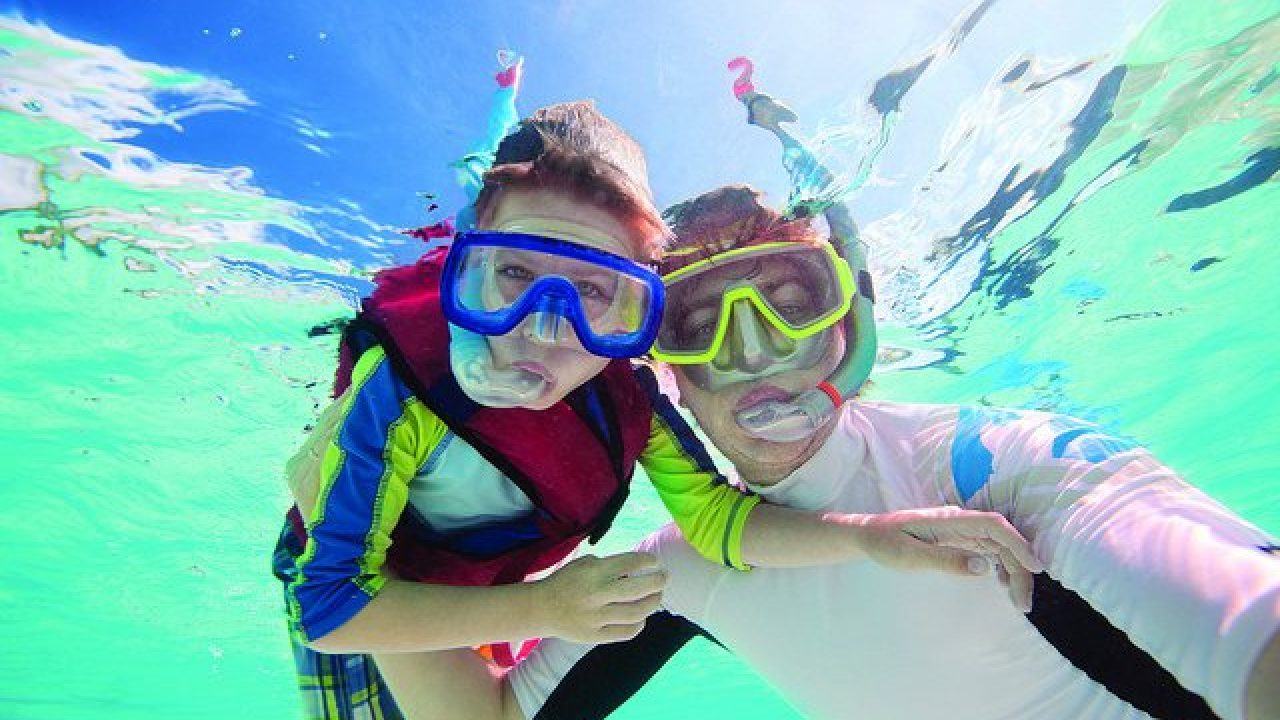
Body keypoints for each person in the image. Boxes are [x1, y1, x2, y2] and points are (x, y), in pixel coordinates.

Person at [505, 75, 1280, 720]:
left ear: (849, 324)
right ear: (663, 368)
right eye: (698, 326)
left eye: (791, 305)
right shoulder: (683, 565)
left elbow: (1242, 611)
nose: (752, 353)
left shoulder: (993, 469)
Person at [272, 77, 1040, 720]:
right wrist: (542, 610)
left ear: (636, 306)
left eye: (592, 292)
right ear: (468, 269)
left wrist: (867, 536)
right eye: (513, 275)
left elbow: (717, 520)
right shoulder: (398, 393)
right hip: (373, 586)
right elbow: (331, 608)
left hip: (491, 580)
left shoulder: (629, 399)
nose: (544, 329)